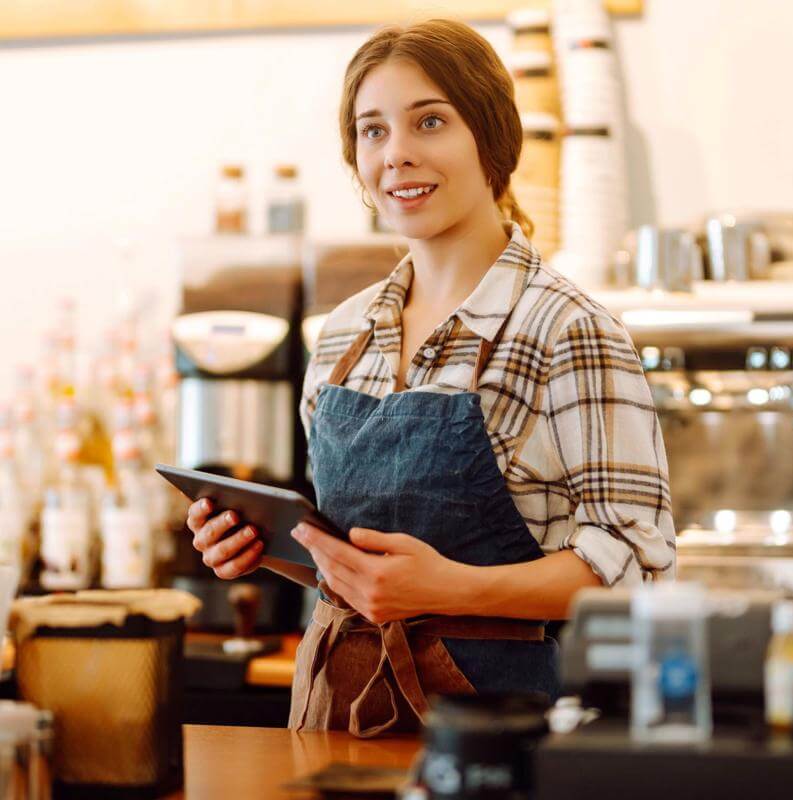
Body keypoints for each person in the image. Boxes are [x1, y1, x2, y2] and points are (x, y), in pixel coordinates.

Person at [186, 18, 675, 738]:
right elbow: (358, 563)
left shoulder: (570, 330)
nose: (398, 155)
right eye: (373, 130)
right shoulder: (342, 338)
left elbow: (640, 565)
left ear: (493, 138)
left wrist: (456, 588)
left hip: (504, 734)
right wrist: (272, 547)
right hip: (336, 717)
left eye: (430, 121)